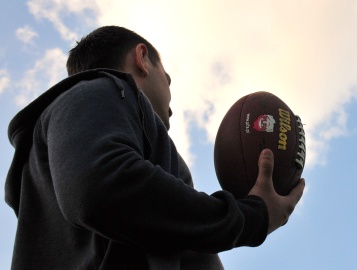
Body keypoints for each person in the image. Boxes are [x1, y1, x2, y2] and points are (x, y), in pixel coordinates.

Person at [5, 25, 305, 269]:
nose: (171, 96)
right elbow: (98, 187)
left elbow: (184, 248)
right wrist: (252, 217)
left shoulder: (147, 168)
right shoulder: (95, 91)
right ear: (142, 58)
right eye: (169, 79)